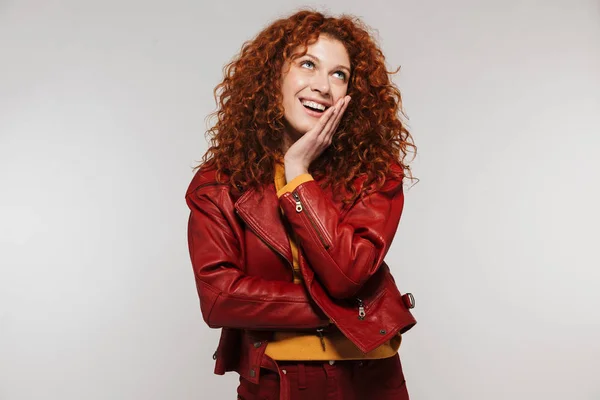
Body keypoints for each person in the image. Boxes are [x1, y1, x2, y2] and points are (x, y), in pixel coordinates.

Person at [185, 9, 418, 400]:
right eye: (308, 64)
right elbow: (220, 298)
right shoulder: (219, 184)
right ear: (273, 75)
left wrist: (297, 173)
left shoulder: (375, 174)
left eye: (338, 74)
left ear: (350, 94)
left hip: (373, 378)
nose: (323, 86)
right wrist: (357, 310)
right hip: (278, 383)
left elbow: (348, 274)